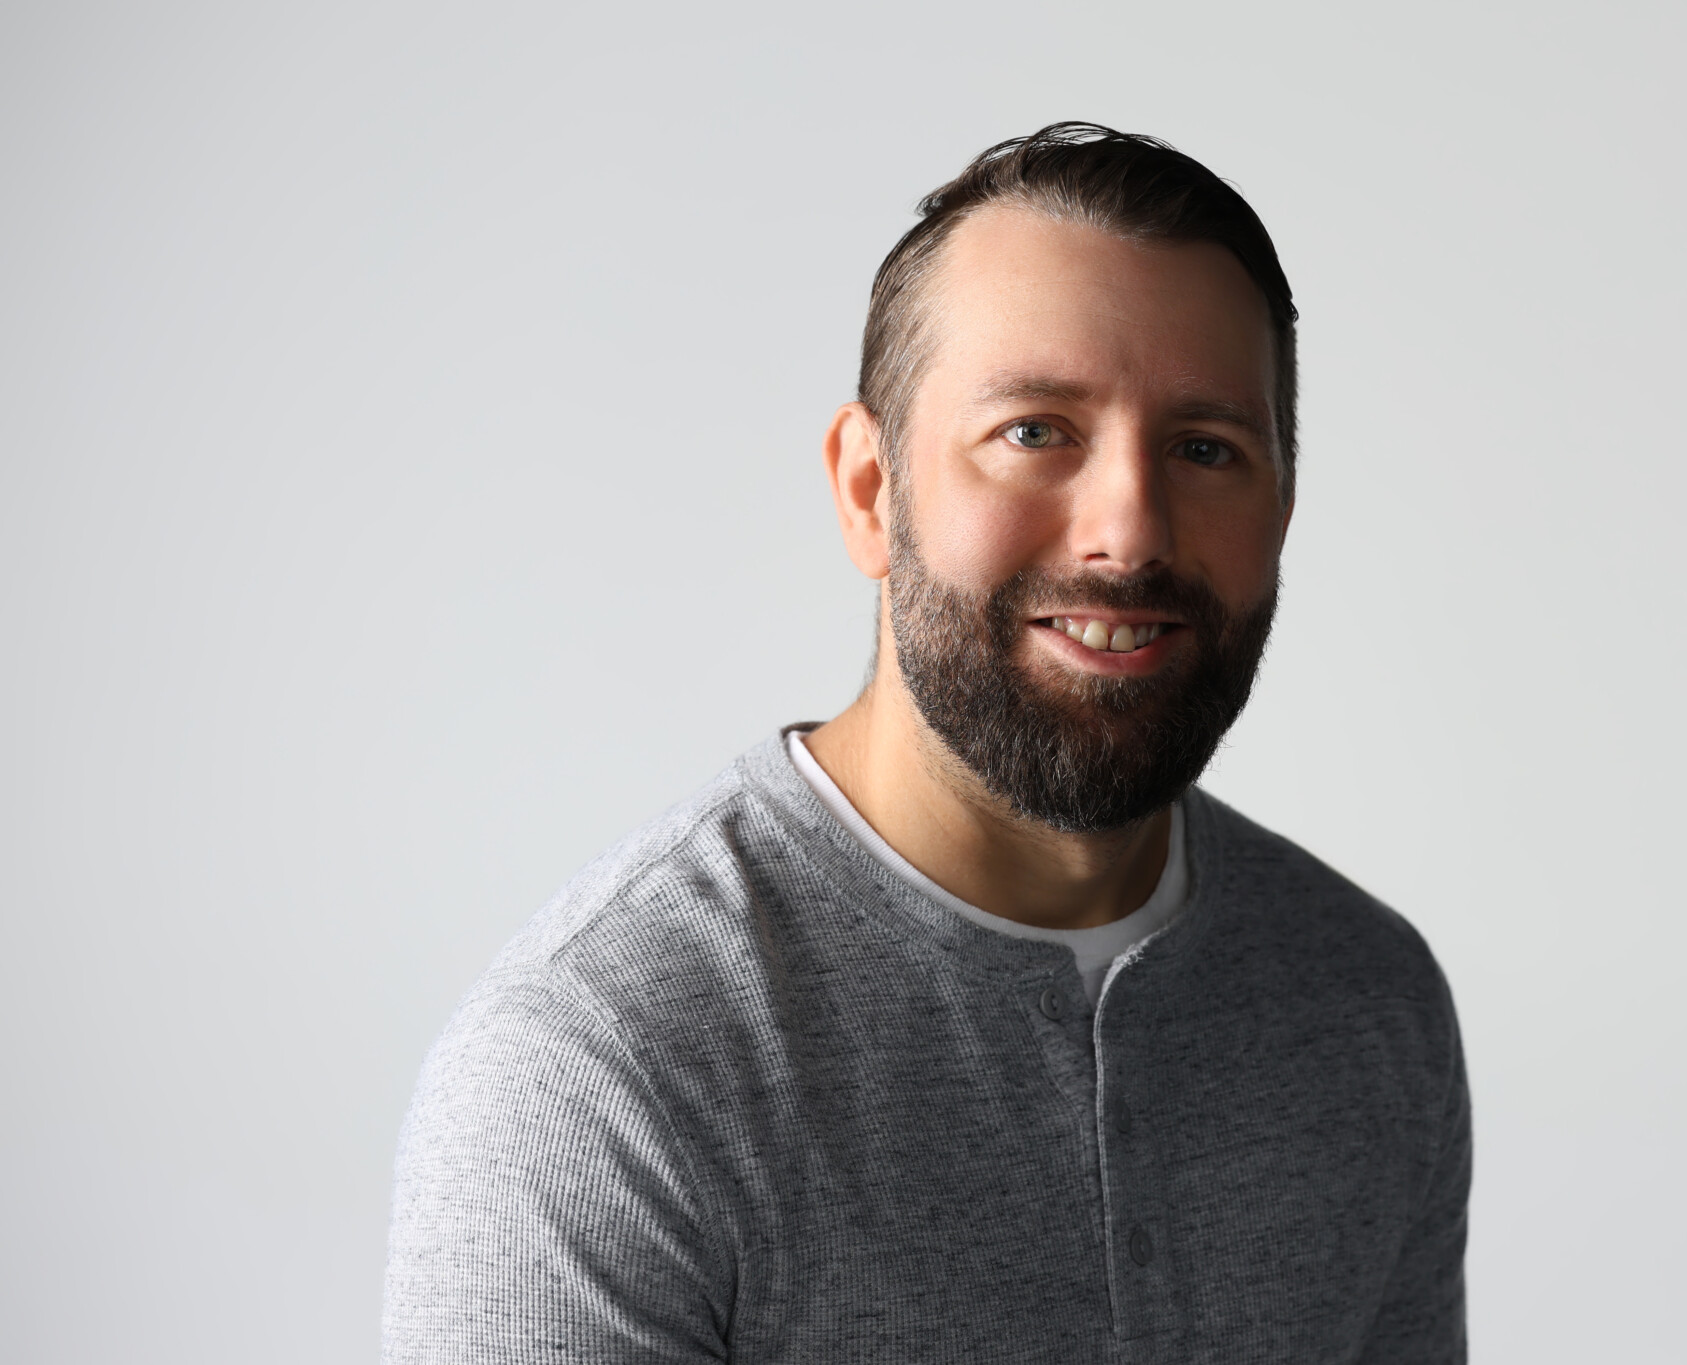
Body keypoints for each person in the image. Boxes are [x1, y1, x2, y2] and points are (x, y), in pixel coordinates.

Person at [383, 122, 1469, 1364]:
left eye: (1205, 449)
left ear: (1280, 507)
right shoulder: (601, 1071)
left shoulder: (1365, 1000)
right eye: (1034, 431)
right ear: (868, 490)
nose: (1127, 530)